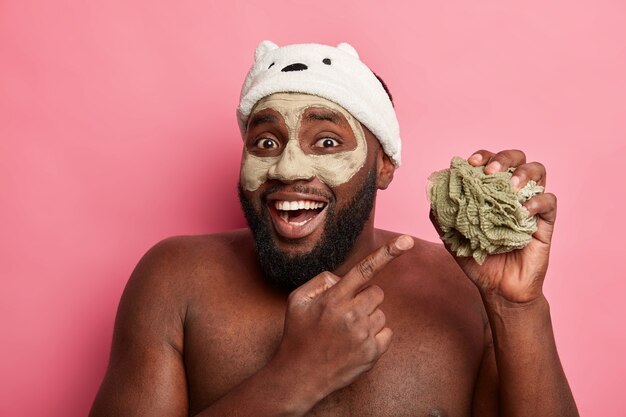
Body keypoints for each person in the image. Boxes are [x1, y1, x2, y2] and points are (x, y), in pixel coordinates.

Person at [89, 41, 578, 416]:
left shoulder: (462, 291)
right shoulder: (175, 280)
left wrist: (517, 308)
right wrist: (291, 381)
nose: (287, 167)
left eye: (326, 141)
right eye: (265, 141)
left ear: (384, 165)